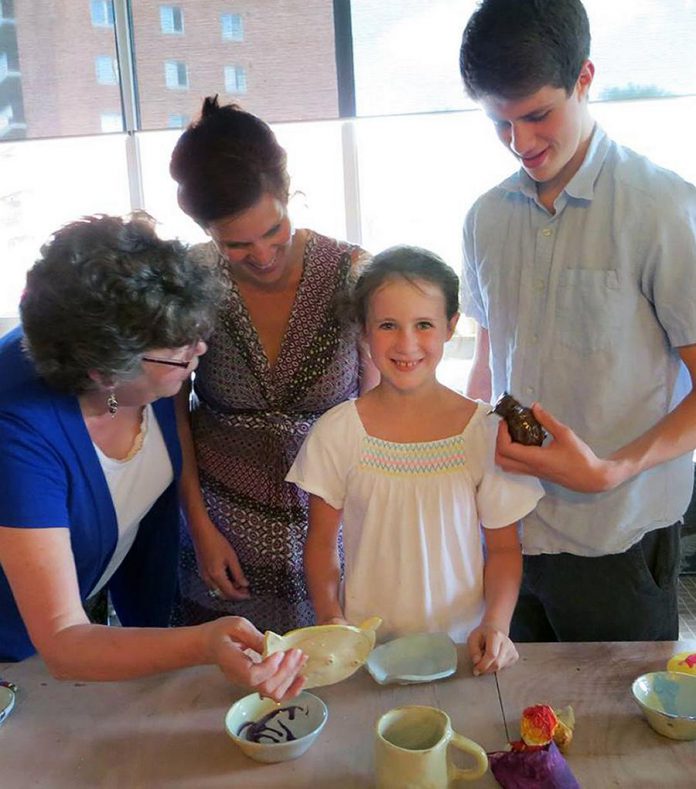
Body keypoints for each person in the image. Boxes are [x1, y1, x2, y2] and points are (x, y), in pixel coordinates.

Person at [459, 0, 696, 641]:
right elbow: (489, 364)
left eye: (538, 115)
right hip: (507, 535)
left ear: (585, 78)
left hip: (615, 538)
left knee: (616, 733)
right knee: (515, 729)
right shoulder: (485, 217)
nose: (521, 142)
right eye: (500, 122)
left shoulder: (663, 210)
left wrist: (611, 469)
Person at [0, 214, 306, 699]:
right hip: (17, 654)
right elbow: (62, 641)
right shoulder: (17, 435)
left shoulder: (145, 367)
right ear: (105, 372)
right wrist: (203, 642)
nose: (198, 353)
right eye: (181, 353)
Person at [169, 96, 378, 634]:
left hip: (334, 529)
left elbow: (376, 414)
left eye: (274, 231)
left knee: (338, 671)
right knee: (232, 690)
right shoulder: (193, 279)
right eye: (236, 244)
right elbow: (174, 412)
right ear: (207, 231)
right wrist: (199, 527)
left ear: (287, 194)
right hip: (224, 526)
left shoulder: (352, 273)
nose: (262, 255)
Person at [286, 246, 543, 674]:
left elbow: (502, 550)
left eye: (424, 324)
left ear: (451, 327)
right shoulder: (337, 432)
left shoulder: (483, 432)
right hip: (366, 655)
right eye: (388, 325)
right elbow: (321, 546)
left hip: (463, 650)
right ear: (364, 333)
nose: (406, 344)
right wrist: (331, 618)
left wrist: (495, 624)